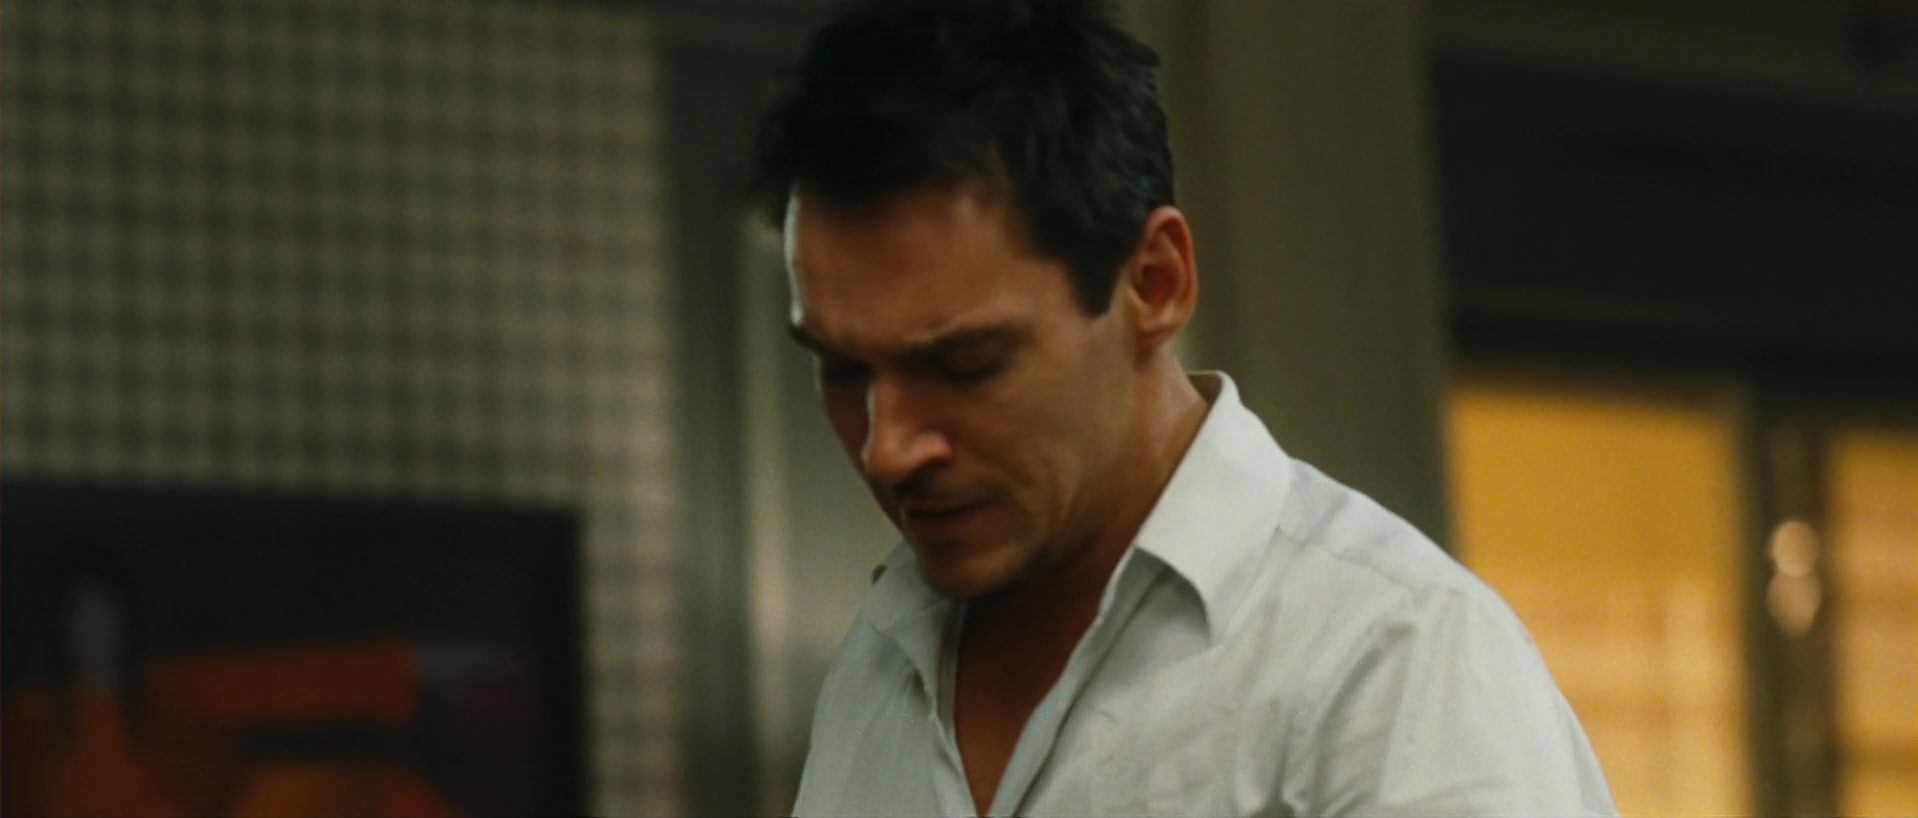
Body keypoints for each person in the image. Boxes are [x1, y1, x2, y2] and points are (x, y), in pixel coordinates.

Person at [746, 0, 1616, 815]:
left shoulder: (1394, 661)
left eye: (966, 363)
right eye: (842, 368)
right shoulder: (875, 671)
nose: (888, 448)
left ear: (1154, 283)